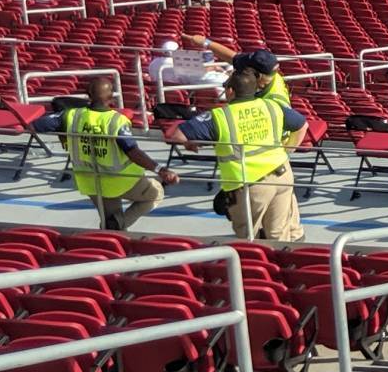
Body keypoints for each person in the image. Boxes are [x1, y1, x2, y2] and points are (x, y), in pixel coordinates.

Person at [166, 56, 307, 244]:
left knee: (250, 238)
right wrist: (286, 152)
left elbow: (177, 135)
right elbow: (301, 125)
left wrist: (191, 143)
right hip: (283, 176)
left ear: (230, 91)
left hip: (250, 184)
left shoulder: (220, 116)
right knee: (278, 236)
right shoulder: (272, 106)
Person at [38, 76, 178, 230]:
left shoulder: (71, 116)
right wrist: (160, 169)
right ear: (111, 97)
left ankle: (111, 236)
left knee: (109, 221)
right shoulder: (116, 121)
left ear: (88, 96)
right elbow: (133, 152)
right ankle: (120, 224)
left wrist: (62, 133)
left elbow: (37, 125)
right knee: (156, 192)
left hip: (90, 181)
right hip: (122, 181)